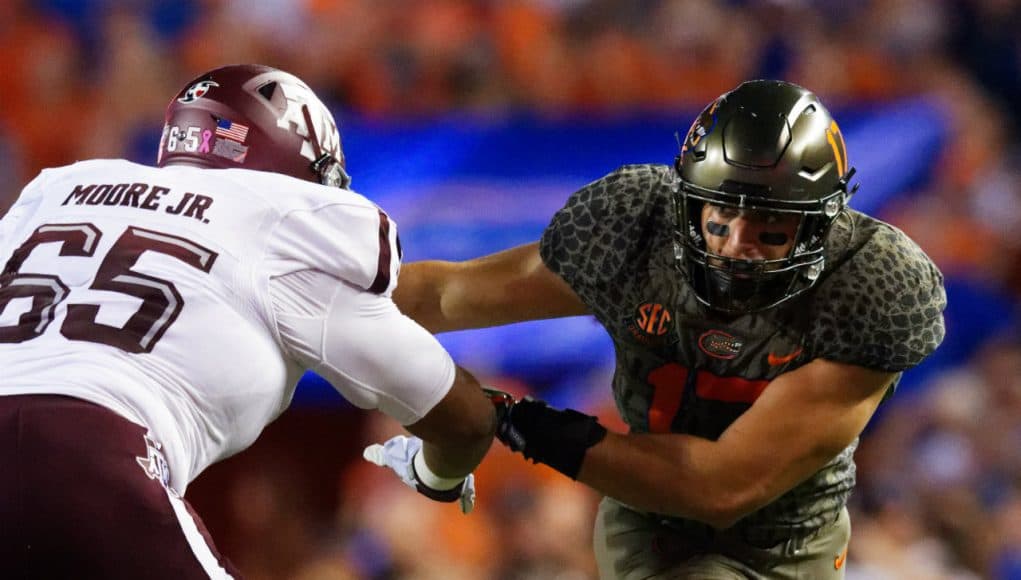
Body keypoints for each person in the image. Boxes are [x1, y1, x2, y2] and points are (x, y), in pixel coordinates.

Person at [387, 80, 946, 578]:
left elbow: (721, 486)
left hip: (790, 543)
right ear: (685, 204)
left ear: (819, 230)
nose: (734, 249)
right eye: (720, 220)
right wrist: (330, 300)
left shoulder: (870, 286)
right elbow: (448, 294)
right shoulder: (635, 234)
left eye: (768, 232)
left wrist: (514, 419)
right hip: (650, 520)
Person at [0, 64, 496, 579]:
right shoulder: (279, 228)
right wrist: (436, 472)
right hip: (93, 450)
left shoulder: (58, 192)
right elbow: (460, 418)